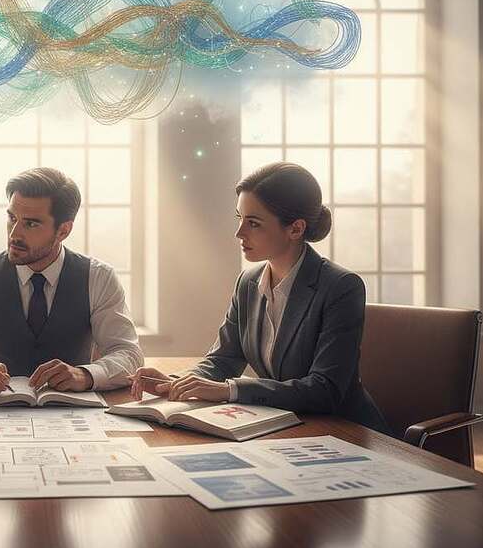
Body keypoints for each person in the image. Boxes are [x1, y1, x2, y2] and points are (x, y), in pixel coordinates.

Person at [131, 162, 390, 434]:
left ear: (295, 229)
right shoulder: (248, 281)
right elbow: (224, 358)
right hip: (290, 426)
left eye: (253, 223)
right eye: (239, 218)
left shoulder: (341, 287)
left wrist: (230, 390)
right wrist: (178, 382)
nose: (239, 233)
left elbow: (324, 389)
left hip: (344, 430)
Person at [0, 167, 143, 399]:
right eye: (12, 218)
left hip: (77, 412)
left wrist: (85, 375)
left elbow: (128, 353)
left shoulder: (99, 278)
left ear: (63, 230)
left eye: (30, 224)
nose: (14, 234)